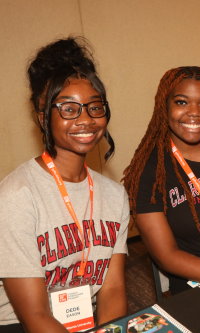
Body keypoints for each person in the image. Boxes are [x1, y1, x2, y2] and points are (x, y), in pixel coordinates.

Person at [0, 37, 129, 332]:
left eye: (94, 107)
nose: (85, 119)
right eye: (68, 109)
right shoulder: (16, 196)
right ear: (42, 117)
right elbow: (35, 316)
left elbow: (112, 290)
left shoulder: (114, 194)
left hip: (89, 321)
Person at [123, 66, 200, 295]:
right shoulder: (149, 172)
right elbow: (167, 256)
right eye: (181, 102)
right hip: (199, 286)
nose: (195, 113)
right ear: (165, 106)